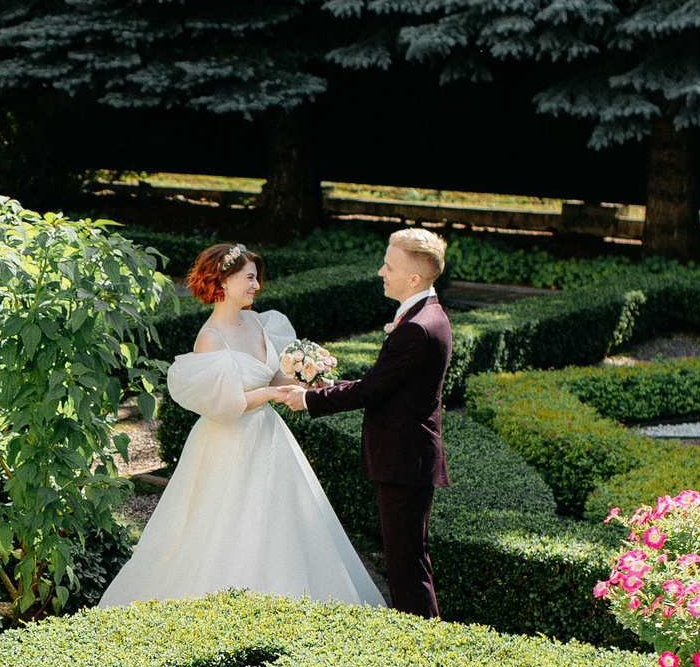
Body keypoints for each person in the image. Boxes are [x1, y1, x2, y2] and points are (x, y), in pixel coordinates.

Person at [99, 243, 385, 609]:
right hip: (228, 442)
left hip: (269, 437)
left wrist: (306, 380)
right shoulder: (210, 339)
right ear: (224, 280)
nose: (256, 286)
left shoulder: (257, 321)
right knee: (222, 526)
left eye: (256, 278)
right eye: (249, 278)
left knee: (283, 523)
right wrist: (272, 392)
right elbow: (227, 404)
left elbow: (276, 373)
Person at [273, 227, 451, 617]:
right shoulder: (425, 315)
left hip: (405, 459)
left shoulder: (418, 327)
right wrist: (330, 384)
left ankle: (422, 643)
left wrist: (308, 399)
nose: (380, 272)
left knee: (406, 564)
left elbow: (371, 391)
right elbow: (384, 384)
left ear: (414, 278)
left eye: (388, 266)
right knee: (406, 558)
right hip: (408, 458)